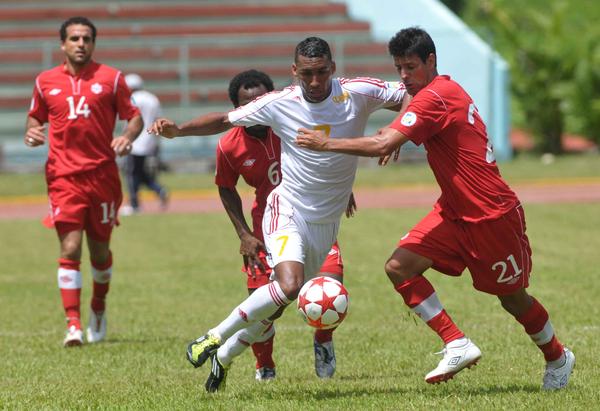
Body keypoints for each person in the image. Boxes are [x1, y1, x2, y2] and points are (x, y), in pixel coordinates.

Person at [295, 27, 575, 391]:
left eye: (410, 67)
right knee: (400, 267)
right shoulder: (440, 88)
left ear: (431, 60)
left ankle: (557, 357)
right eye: (398, 68)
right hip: (453, 211)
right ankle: (456, 342)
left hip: (491, 215)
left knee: (513, 299)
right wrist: (396, 134)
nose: (404, 77)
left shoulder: (436, 98)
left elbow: (384, 140)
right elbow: (408, 109)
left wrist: (329, 143)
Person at [150, 37, 408, 392]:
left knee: (276, 305)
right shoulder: (280, 102)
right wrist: (178, 131)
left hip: (326, 222)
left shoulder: (359, 92)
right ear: (294, 72)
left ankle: (223, 356)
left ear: (333, 68)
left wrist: (398, 133)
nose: (315, 82)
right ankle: (213, 336)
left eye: (321, 73)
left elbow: (414, 93)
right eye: (307, 74)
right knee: (288, 286)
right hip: (286, 209)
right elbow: (224, 120)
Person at [216, 69, 352, 381]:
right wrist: (244, 234)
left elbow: (325, 160)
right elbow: (226, 186)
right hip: (269, 231)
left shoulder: (291, 124)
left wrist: (345, 190)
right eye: (248, 103)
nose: (257, 107)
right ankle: (264, 364)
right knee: (268, 309)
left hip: (312, 217)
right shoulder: (228, 146)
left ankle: (323, 340)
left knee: (331, 288)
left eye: (262, 98)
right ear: (238, 109)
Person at [24, 16, 142, 347]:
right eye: (74, 38)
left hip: (103, 175)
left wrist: (127, 136)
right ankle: (73, 325)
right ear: (62, 44)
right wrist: (32, 131)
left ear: (93, 43)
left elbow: (134, 116)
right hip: (63, 176)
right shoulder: (45, 81)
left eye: (86, 38)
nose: (80, 43)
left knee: (100, 250)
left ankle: (98, 307)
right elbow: (35, 116)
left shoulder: (111, 78)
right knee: (71, 246)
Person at [121, 73, 168, 215]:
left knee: (131, 173)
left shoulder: (132, 99)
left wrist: (125, 137)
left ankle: (134, 205)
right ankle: (159, 190)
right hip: (150, 140)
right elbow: (159, 120)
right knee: (139, 173)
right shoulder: (152, 98)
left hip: (134, 141)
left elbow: (129, 120)